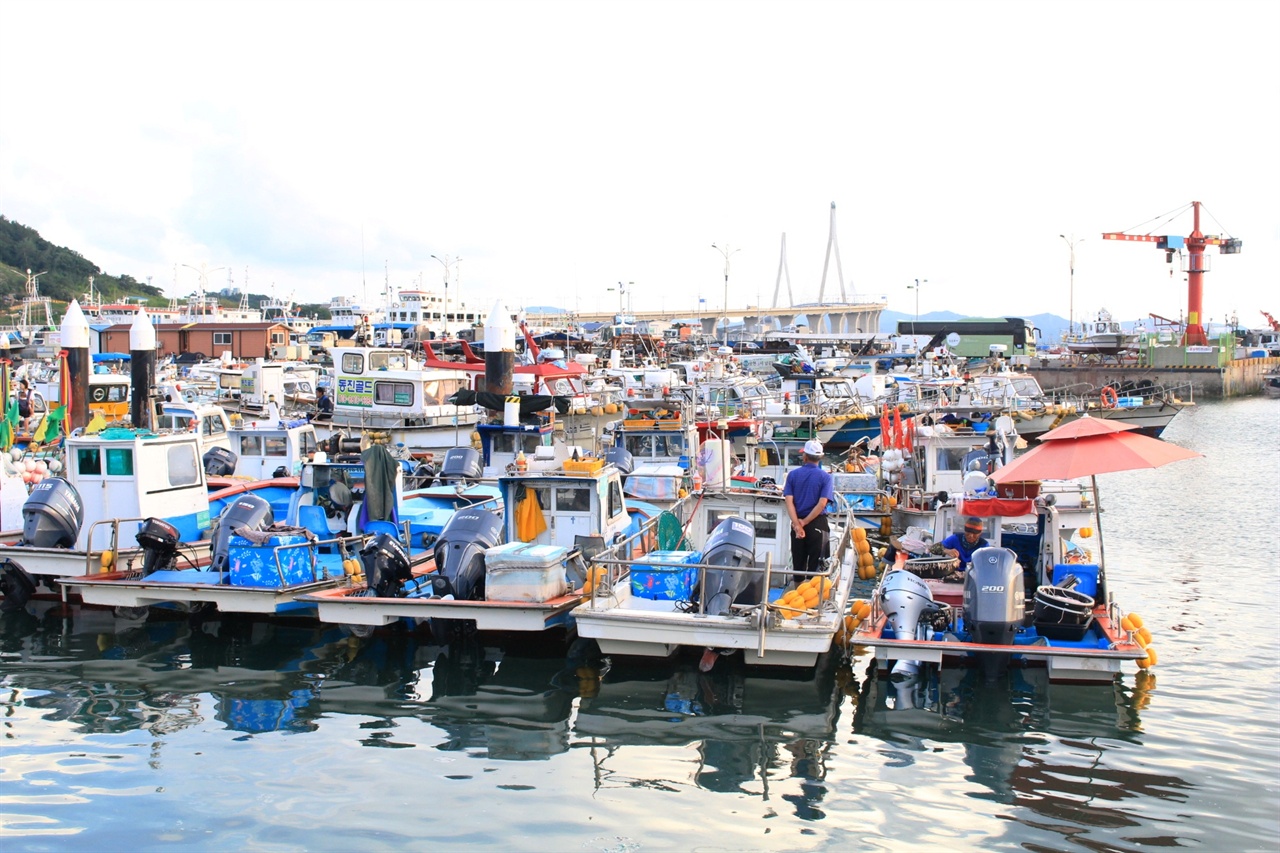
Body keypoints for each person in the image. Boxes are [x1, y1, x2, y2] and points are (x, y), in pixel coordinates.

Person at [783, 438, 836, 582]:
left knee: (798, 564)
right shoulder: (825, 477)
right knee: (817, 566)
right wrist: (804, 522)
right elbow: (822, 504)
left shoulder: (792, 475)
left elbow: (789, 501)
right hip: (817, 523)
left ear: (804, 456)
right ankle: (813, 601)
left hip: (797, 523)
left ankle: (796, 598)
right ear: (820, 458)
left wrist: (797, 524)